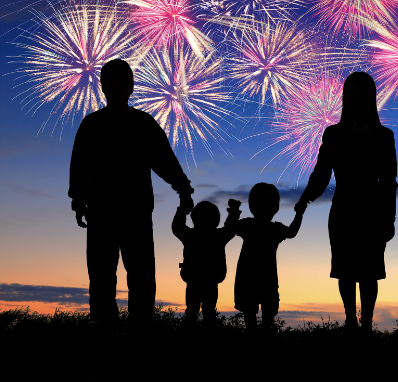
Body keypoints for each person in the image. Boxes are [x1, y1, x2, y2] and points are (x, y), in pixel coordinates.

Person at [69, 59, 194, 327]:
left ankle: (140, 329)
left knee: (140, 276)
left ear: (131, 86)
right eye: (111, 81)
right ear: (103, 86)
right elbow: (79, 166)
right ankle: (106, 328)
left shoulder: (143, 123)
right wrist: (78, 200)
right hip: (101, 213)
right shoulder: (92, 124)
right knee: (102, 277)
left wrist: (183, 188)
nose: (116, 86)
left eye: (122, 81)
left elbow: (165, 161)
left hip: (136, 214)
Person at [295, 71, 398, 335]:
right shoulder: (333, 135)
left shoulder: (384, 136)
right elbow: (321, 174)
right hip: (342, 211)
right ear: (345, 98)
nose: (359, 101)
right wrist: (306, 198)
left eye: (365, 96)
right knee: (345, 270)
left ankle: (366, 325)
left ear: (373, 99)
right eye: (353, 95)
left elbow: (389, 181)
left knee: (370, 271)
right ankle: (351, 321)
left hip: (373, 213)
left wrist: (389, 219)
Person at [233, 183, 303, 333]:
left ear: (252, 206)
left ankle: (254, 336)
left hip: (247, 276)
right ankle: (265, 338)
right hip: (267, 277)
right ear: (275, 207)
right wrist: (299, 214)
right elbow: (292, 232)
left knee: (250, 312)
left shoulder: (247, 225)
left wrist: (234, 212)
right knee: (268, 312)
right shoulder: (274, 229)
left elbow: (231, 227)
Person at [172, 199, 240, 327]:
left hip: (194, 283)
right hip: (210, 283)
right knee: (208, 315)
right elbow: (231, 228)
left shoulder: (190, 235)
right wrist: (234, 211)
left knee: (192, 314)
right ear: (216, 220)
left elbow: (177, 227)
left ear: (194, 218)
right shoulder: (218, 237)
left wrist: (182, 210)